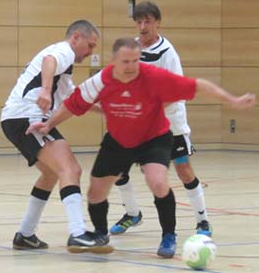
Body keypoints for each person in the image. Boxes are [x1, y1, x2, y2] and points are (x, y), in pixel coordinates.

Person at [26, 38, 255, 258]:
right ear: (114, 61)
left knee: (157, 182)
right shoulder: (101, 81)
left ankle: (168, 236)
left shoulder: (153, 77)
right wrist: (48, 125)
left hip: (153, 138)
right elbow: (72, 105)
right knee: (95, 192)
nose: (132, 66)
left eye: (136, 61)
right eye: (126, 62)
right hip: (118, 140)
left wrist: (232, 101)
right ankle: (99, 235)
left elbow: (199, 85)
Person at [0, 19, 113, 254]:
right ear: (76, 38)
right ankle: (79, 233)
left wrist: (109, 111)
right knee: (70, 169)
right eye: (90, 45)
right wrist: (44, 89)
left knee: (52, 174)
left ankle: (25, 234)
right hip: (27, 117)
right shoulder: (62, 52)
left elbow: (74, 99)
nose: (92, 51)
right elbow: (48, 62)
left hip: (19, 118)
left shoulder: (65, 69)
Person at [110, 1, 214, 237]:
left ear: (158, 22)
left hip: (169, 124)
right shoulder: (132, 49)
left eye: (148, 21)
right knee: (117, 168)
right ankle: (132, 213)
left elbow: (176, 93)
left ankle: (203, 220)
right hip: (136, 125)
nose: (143, 26)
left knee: (184, 170)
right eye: (139, 22)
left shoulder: (168, 54)